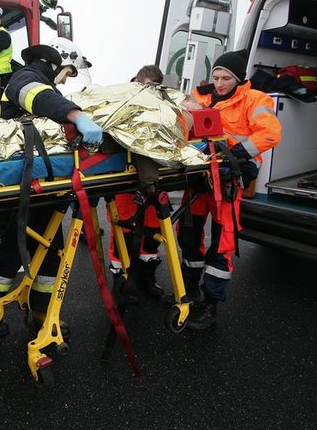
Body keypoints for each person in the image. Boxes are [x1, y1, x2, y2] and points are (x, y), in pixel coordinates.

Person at [0, 40, 103, 336]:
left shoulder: (44, 84)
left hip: (45, 185)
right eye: (68, 72)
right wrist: (75, 115)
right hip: (21, 187)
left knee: (52, 251)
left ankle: (41, 310)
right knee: (12, 250)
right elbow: (37, 96)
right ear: (57, 62)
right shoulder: (26, 77)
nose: (67, 79)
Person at [178, 49, 282, 330]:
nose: (220, 83)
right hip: (198, 178)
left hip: (227, 180)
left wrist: (237, 155)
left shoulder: (255, 100)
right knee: (188, 236)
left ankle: (211, 303)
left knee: (222, 244)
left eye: (226, 78)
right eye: (216, 77)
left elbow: (270, 133)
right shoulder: (199, 97)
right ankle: (190, 290)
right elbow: (181, 127)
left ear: (238, 79)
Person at [106, 65, 169, 299]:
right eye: (146, 87)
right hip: (125, 178)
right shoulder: (120, 101)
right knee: (125, 230)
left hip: (154, 178)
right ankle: (121, 280)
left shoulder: (162, 103)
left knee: (152, 231)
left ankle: (146, 278)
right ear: (138, 81)